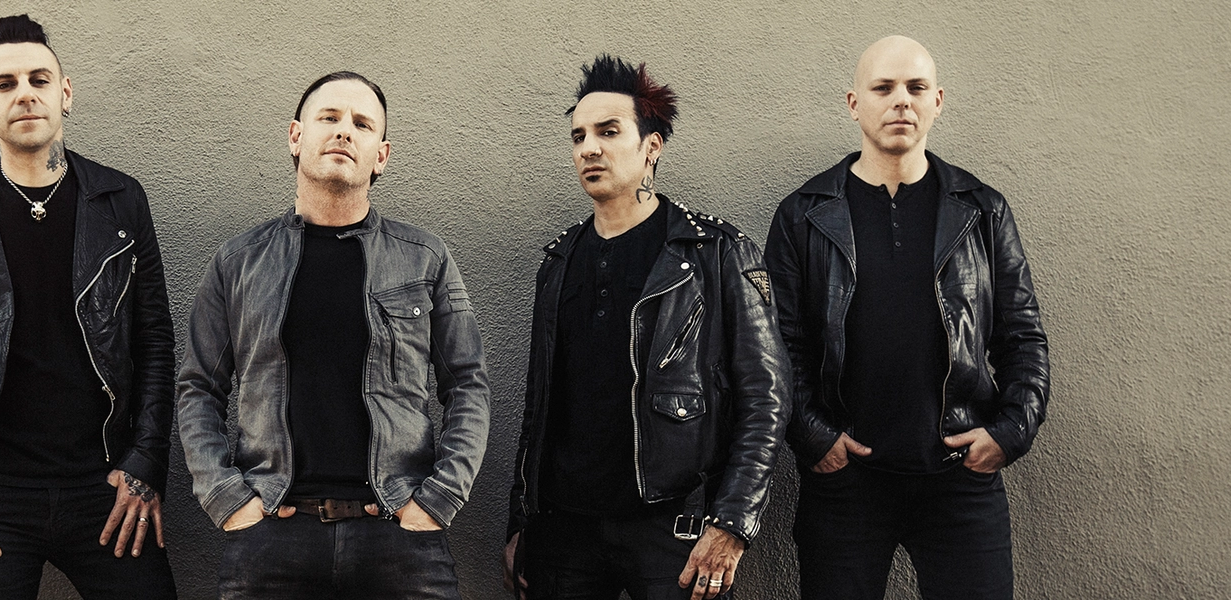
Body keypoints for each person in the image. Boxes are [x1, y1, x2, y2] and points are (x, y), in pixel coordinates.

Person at [0, 14, 177, 599]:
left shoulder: (120, 201)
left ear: (64, 93)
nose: (24, 94)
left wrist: (145, 465)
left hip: (106, 487)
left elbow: (154, 341)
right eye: (4, 84)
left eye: (38, 80)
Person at [175, 71, 490, 600]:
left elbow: (468, 383)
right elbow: (198, 388)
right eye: (330, 117)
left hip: (398, 532)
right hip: (272, 533)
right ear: (296, 137)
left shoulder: (425, 258)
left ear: (380, 155)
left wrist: (439, 498)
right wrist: (226, 497)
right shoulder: (238, 263)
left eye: (362, 124)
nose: (345, 130)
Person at [765, 36, 1050, 600]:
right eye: (884, 88)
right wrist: (816, 439)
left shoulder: (982, 210)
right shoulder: (803, 215)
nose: (902, 100)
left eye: (916, 88)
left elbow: (1022, 337)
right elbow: (779, 347)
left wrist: (1009, 433)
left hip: (959, 482)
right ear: (854, 103)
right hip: (845, 486)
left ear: (937, 101)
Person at [503, 55, 791, 600]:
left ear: (651, 146)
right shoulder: (559, 261)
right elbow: (540, 407)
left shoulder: (716, 253)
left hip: (675, 528)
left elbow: (767, 397)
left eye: (608, 132)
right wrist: (523, 522)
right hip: (564, 532)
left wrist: (733, 523)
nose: (589, 148)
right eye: (578, 136)